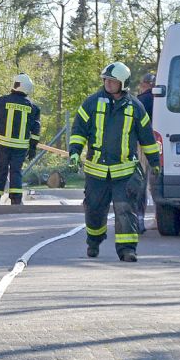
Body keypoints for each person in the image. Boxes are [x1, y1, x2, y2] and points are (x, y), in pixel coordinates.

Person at [69, 62, 160, 262]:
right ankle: (94, 241)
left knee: (125, 209)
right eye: (106, 80)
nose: (108, 84)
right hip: (96, 171)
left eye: (113, 81)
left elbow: (147, 137)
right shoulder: (91, 103)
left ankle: (128, 250)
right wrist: (74, 152)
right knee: (93, 208)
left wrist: (155, 161)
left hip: (125, 172)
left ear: (123, 83)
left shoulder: (136, 107)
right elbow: (78, 131)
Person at [0, 73, 41, 205]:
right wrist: (33, 147)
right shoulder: (33, 108)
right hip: (20, 147)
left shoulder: (1, 101)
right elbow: (35, 130)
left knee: (0, 172)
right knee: (16, 172)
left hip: (2, 145)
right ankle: (16, 202)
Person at [134, 72, 156, 233]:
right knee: (157, 182)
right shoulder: (164, 100)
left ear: (146, 84)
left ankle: (139, 219)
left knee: (141, 182)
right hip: (163, 143)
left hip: (143, 146)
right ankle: (158, 217)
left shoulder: (140, 101)